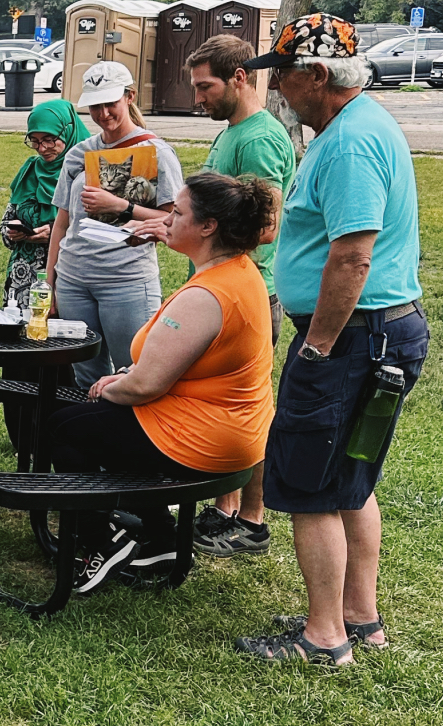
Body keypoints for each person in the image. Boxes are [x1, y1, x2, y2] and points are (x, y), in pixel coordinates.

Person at [235, 14, 428, 665]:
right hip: (377, 331)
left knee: (310, 483)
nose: (278, 89)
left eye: (284, 75)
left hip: (352, 336)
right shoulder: (361, 124)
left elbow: (352, 256)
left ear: (317, 75)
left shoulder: (349, 144)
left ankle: (324, 639)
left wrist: (316, 347)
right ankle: (359, 618)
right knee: (349, 480)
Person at [48, 173, 277, 595]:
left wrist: (107, 386)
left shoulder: (208, 295)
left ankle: (103, 541)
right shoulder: (238, 271)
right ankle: (160, 540)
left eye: (179, 213)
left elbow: (145, 387)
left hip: (205, 438)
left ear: (208, 227)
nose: (166, 219)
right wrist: (125, 381)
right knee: (100, 421)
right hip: (233, 432)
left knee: (64, 427)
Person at [184, 34, 297, 558]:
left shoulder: (259, 139)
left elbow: (266, 226)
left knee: (248, 410)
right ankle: (224, 508)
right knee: (221, 404)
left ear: (239, 77)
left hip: (250, 294)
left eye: (205, 87)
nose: (197, 98)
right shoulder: (234, 131)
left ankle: (252, 520)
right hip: (218, 292)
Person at [44, 61, 185, 389]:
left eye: (111, 103)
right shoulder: (79, 154)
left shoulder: (156, 152)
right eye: (95, 106)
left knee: (132, 373)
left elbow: (175, 222)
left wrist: (121, 207)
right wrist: (50, 283)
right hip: (74, 281)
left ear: (130, 97)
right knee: (85, 377)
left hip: (126, 281)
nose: (103, 113)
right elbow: (61, 224)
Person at [0, 99, 89, 306]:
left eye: (49, 139)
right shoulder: (30, 170)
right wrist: (12, 232)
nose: (42, 148)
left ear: (68, 131)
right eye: (35, 141)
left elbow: (97, 229)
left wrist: (54, 232)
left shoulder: (87, 171)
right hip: (22, 284)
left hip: (69, 280)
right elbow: (6, 222)